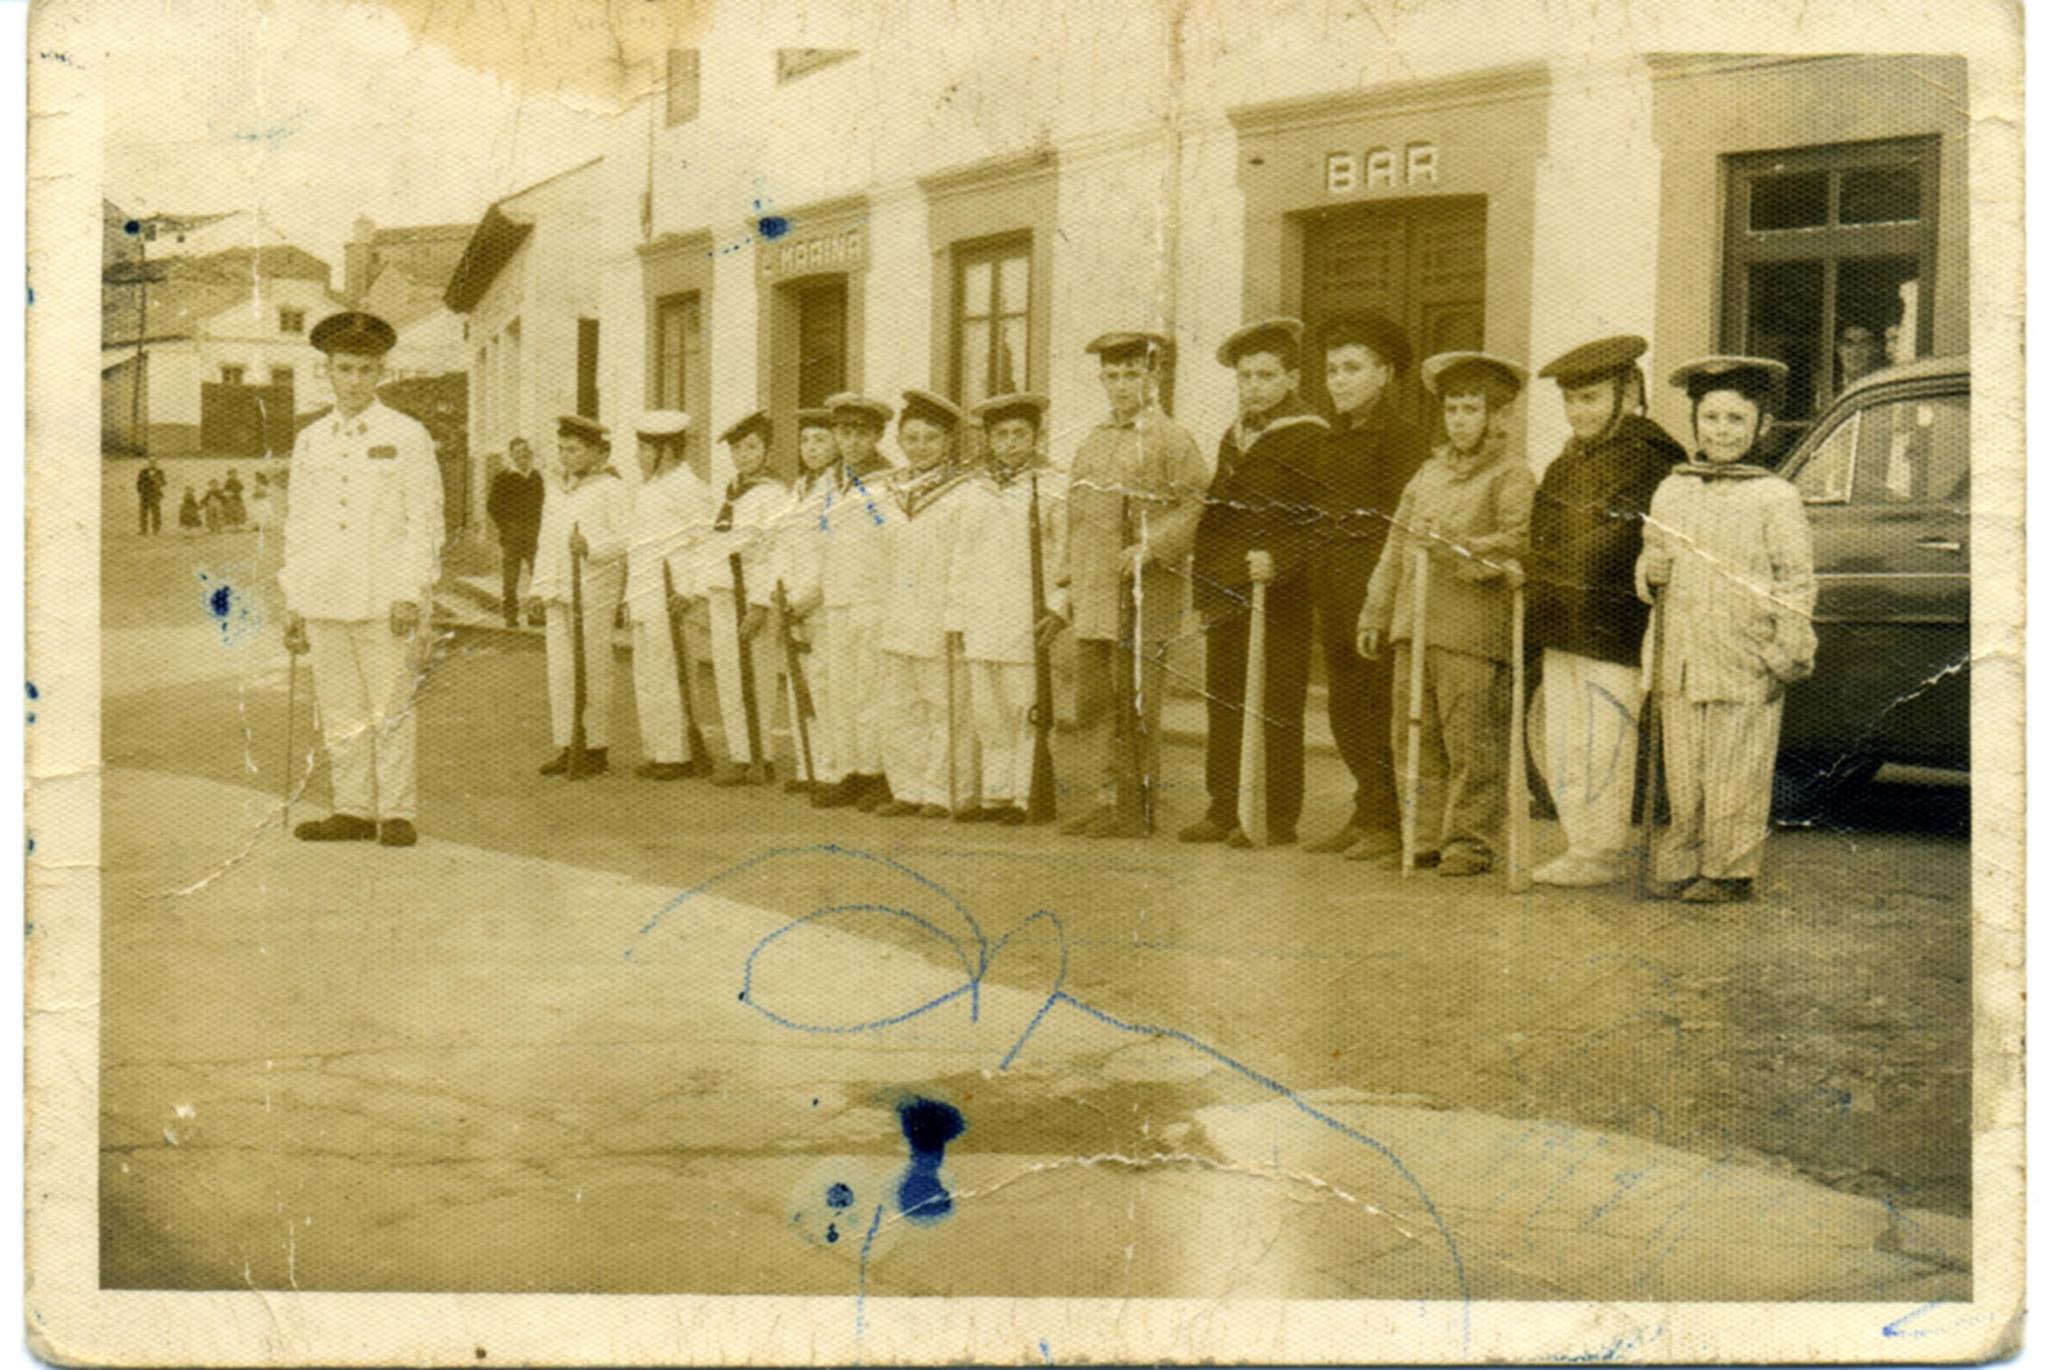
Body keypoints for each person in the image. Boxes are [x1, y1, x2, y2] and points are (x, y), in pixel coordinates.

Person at [1636, 356, 1816, 904]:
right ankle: (1682, 858)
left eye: (1736, 419)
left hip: (1745, 653)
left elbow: (1796, 578)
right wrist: (1649, 572)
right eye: (1711, 418)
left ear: (1760, 426)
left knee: (1735, 769)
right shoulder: (1673, 490)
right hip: (1684, 655)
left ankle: (1729, 869)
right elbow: (1650, 557)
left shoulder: (1773, 496)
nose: (1721, 430)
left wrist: (1783, 653)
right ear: (1696, 423)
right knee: (1685, 770)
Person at [1357, 351, 1535, 877]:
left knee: (1471, 742)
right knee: (1414, 737)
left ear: (1497, 416)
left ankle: (1471, 841)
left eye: (1471, 409)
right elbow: (1395, 544)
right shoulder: (1428, 474)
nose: (1459, 420)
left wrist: (1458, 548)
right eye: (1452, 408)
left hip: (1472, 632)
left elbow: (1517, 543)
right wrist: (1376, 611)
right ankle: (1424, 833)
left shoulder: (1512, 475)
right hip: (1415, 625)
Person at [1525, 335, 1688, 887]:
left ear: (1628, 394)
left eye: (1591, 399)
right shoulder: (1565, 462)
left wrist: (1547, 566)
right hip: (1561, 620)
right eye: (1571, 401)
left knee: (1604, 736)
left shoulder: (1650, 458)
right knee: (1565, 734)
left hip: (1612, 622)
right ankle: (1580, 843)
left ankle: (1602, 849)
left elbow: (1617, 538)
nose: (1579, 412)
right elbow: (1540, 529)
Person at [277, 310, 444, 847]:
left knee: (390, 706)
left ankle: (395, 810)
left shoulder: (407, 435)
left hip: (382, 596)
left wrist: (410, 592)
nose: (353, 381)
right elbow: (298, 524)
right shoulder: (311, 440)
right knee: (340, 710)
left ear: (380, 373)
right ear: (326, 370)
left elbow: (425, 520)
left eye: (365, 370)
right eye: (344, 369)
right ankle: (351, 809)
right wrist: (295, 600)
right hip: (325, 594)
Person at [1180, 318, 1328, 849]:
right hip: (1227, 590)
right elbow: (1214, 517)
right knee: (1224, 700)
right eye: (1245, 377)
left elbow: (1318, 521)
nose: (1254, 386)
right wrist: (1203, 593)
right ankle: (1224, 807)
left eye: (1266, 375)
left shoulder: (1311, 436)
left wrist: (1280, 561)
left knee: (1277, 705)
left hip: (1280, 593)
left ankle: (1274, 816)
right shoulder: (1234, 435)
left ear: (1291, 378)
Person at [1060, 331, 1209, 839]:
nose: (1122, 386)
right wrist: (1067, 580)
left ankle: (1137, 803)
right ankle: (1106, 799)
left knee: (1138, 702)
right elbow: (1076, 516)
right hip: (1096, 594)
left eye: (1132, 375)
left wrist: (1152, 546)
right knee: (1099, 704)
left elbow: (1197, 506)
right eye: (1113, 376)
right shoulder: (1094, 439)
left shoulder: (1172, 439)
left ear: (1154, 377)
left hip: (1145, 595)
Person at [1304, 313, 1429, 861]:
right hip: (1333, 594)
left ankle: (1389, 820)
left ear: (1384, 374)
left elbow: (1403, 529)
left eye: (1353, 368)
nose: (1339, 380)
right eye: (1332, 369)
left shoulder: (1403, 439)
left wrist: (1383, 603)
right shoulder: (1330, 438)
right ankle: (1365, 807)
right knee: (1345, 709)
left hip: (1376, 597)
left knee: (1381, 708)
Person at [951, 392, 1068, 824]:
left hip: (1026, 615)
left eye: (1021, 433)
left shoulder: (1053, 485)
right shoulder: (973, 488)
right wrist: (957, 615)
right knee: (989, 712)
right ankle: (996, 795)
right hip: (982, 615)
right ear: (989, 439)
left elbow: (1065, 552)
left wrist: (1058, 608)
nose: (1011, 442)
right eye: (1001, 434)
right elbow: (961, 555)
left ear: (1036, 436)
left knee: (1027, 708)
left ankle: (1026, 795)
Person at [874, 390, 976, 819]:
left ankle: (941, 790)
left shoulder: (964, 492)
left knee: (944, 706)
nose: (919, 447)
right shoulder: (887, 490)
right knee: (899, 706)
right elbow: (877, 557)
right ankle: (907, 787)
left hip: (938, 614)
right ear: (900, 441)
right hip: (896, 612)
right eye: (911, 438)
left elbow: (965, 560)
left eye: (930, 439)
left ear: (948, 442)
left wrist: (956, 616)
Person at [807, 393, 898, 812]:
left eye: (862, 433)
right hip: (837, 597)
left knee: (871, 690)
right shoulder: (830, 482)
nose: (853, 442)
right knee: (841, 690)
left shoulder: (891, 482)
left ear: (877, 436)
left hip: (874, 597)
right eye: (845, 432)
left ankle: (878, 774)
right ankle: (850, 770)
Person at [530, 414, 632, 777]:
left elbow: (625, 538)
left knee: (592, 667)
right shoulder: (558, 487)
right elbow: (545, 538)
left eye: (573, 450)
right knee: (560, 671)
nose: (566, 457)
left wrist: (591, 546)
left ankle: (596, 745)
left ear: (596, 452)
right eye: (561, 449)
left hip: (593, 588)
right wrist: (539, 586)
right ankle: (568, 743)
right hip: (559, 589)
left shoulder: (612, 488)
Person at [695, 411, 791, 786]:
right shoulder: (731, 489)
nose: (743, 455)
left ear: (767, 449)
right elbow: (715, 544)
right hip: (723, 593)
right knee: (729, 675)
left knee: (757, 675)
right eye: (737, 448)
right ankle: (740, 754)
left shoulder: (774, 494)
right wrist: (705, 592)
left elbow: (776, 551)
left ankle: (761, 756)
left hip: (751, 597)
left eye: (751, 447)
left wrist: (761, 602)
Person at [623, 410, 709, 781]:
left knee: (672, 672)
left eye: (645, 449)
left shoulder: (691, 489)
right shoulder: (648, 489)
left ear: (667, 451)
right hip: (644, 594)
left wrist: (690, 591)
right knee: (648, 675)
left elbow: (705, 544)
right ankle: (658, 749)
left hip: (670, 594)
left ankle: (678, 753)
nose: (639, 457)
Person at [769, 406, 843, 794]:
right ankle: (806, 765)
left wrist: (801, 600)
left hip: (819, 604)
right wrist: (778, 592)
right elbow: (784, 543)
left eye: (820, 439)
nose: (811, 448)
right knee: (800, 688)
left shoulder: (838, 488)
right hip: (792, 602)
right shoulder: (799, 488)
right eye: (805, 440)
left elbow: (828, 555)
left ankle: (832, 770)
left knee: (825, 688)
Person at [487, 438, 547, 628]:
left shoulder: (536, 477)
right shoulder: (503, 478)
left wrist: (540, 527)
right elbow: (493, 506)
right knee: (510, 577)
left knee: (538, 574)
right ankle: (510, 615)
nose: (523, 455)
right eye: (518, 451)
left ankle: (536, 615)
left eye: (526, 451)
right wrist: (506, 527)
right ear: (512, 454)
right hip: (512, 533)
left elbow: (543, 504)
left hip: (534, 532)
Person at [1836, 321, 1884, 391]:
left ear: (1875, 349)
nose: (1855, 352)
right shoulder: (1829, 389)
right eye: (1848, 344)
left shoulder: (1879, 386)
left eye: (1864, 344)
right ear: (1839, 349)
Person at [135, 458, 165, 535]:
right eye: (151, 462)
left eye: (154, 462)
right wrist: (141, 491)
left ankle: (156, 530)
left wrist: (158, 482)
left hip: (155, 495)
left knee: (156, 513)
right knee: (143, 513)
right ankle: (143, 530)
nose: (152, 464)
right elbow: (138, 483)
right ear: (148, 463)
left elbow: (163, 482)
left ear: (156, 463)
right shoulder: (143, 472)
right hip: (144, 495)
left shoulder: (160, 472)